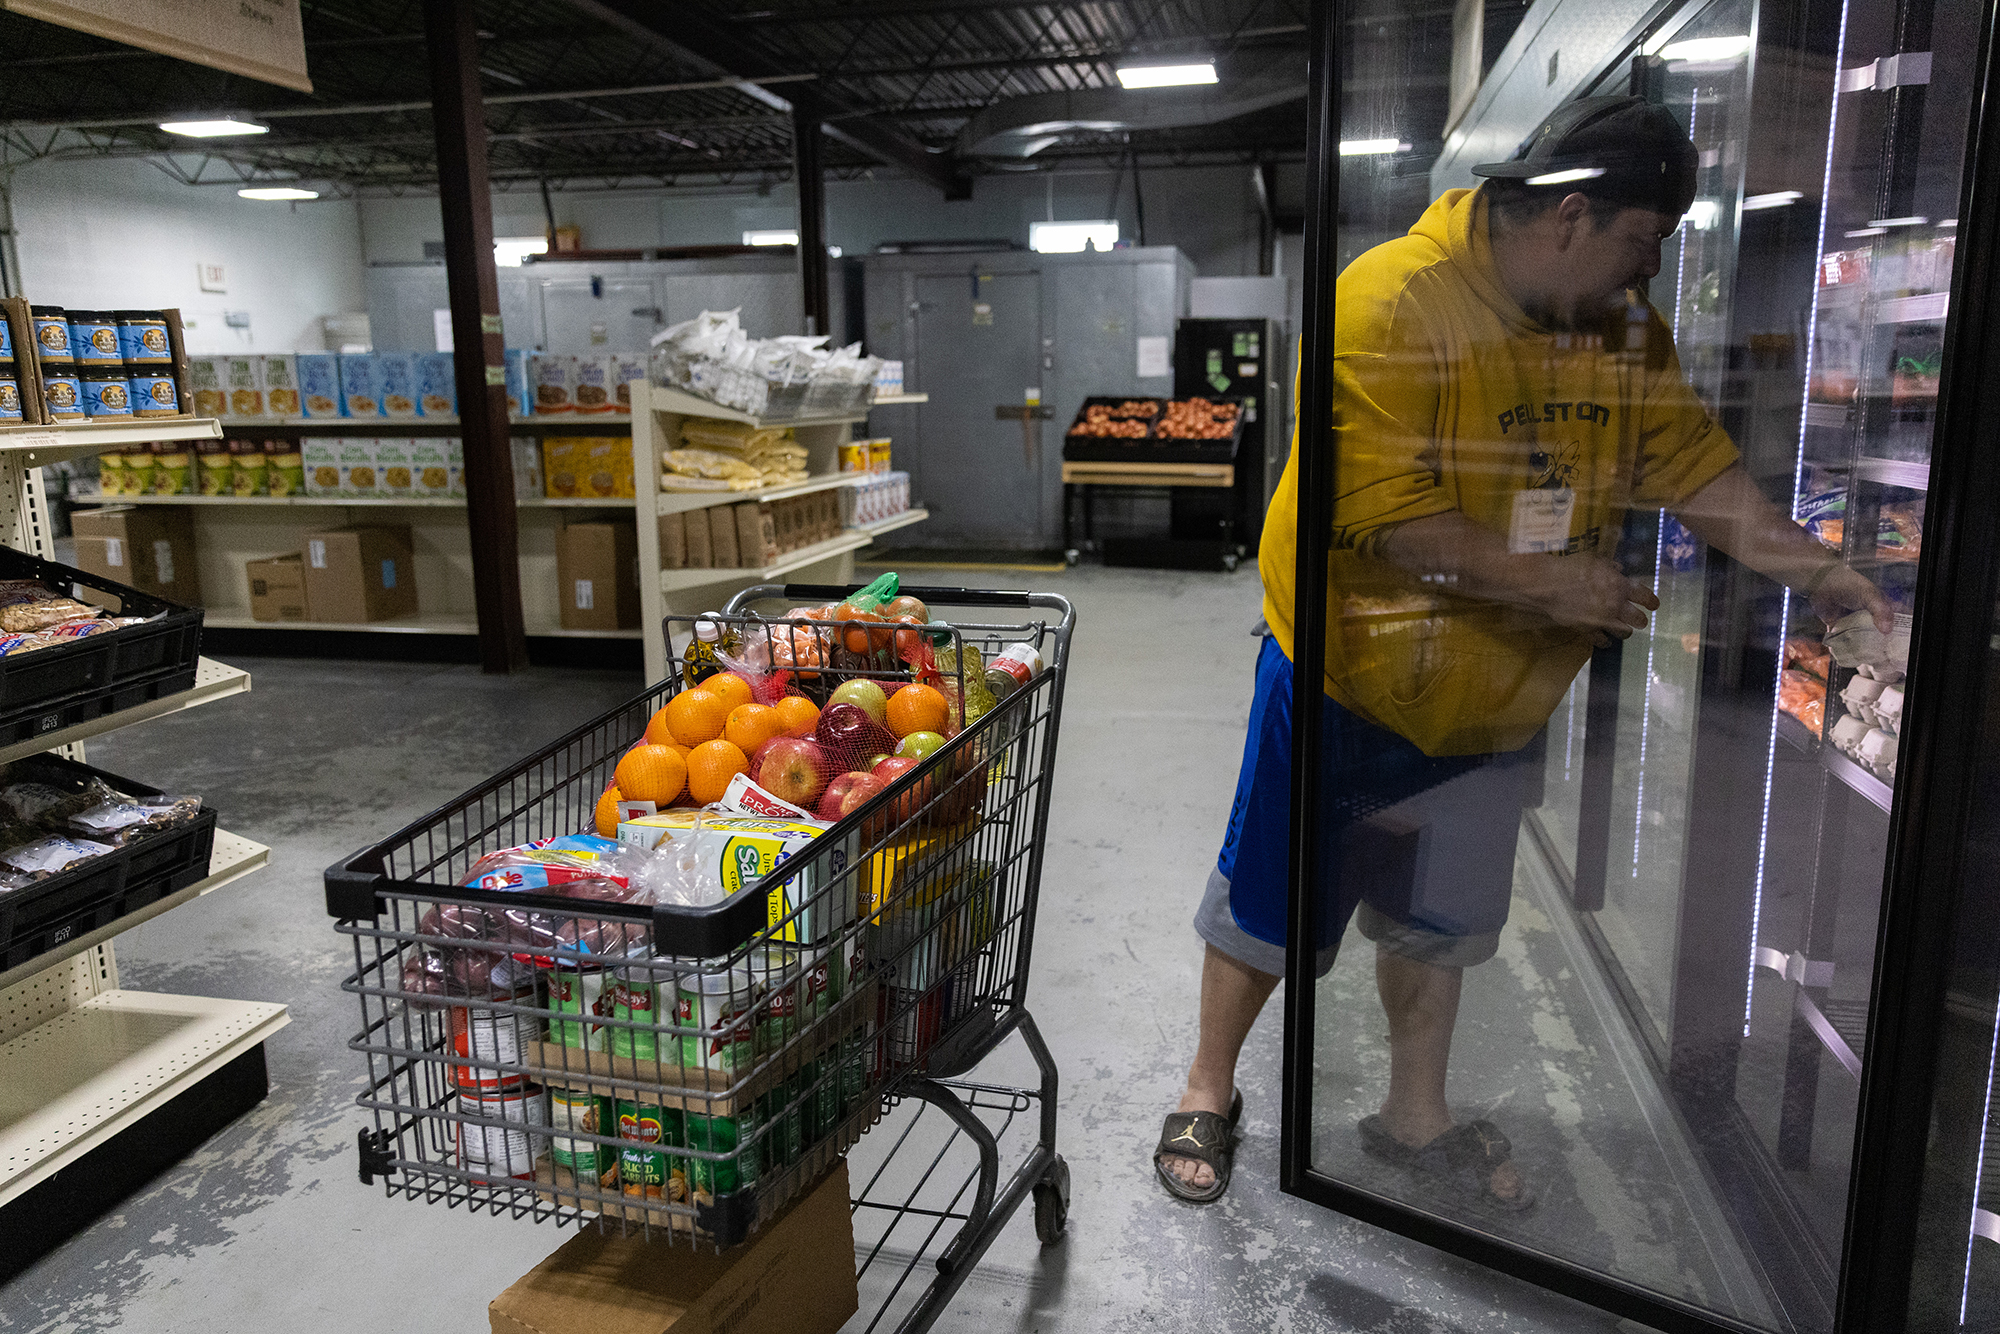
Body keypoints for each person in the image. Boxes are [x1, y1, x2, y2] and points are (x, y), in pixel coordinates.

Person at [1153, 96, 1890, 1207]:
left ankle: (1414, 1112)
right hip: (1348, 673)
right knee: (1270, 900)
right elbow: (1380, 511)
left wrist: (1822, 575)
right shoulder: (1391, 300)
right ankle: (1208, 1085)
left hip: (1495, 693)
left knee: (1439, 915)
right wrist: (1558, 582)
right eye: (1643, 239)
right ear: (1570, 214)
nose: (1649, 271)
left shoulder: (1620, 330)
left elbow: (1690, 463)